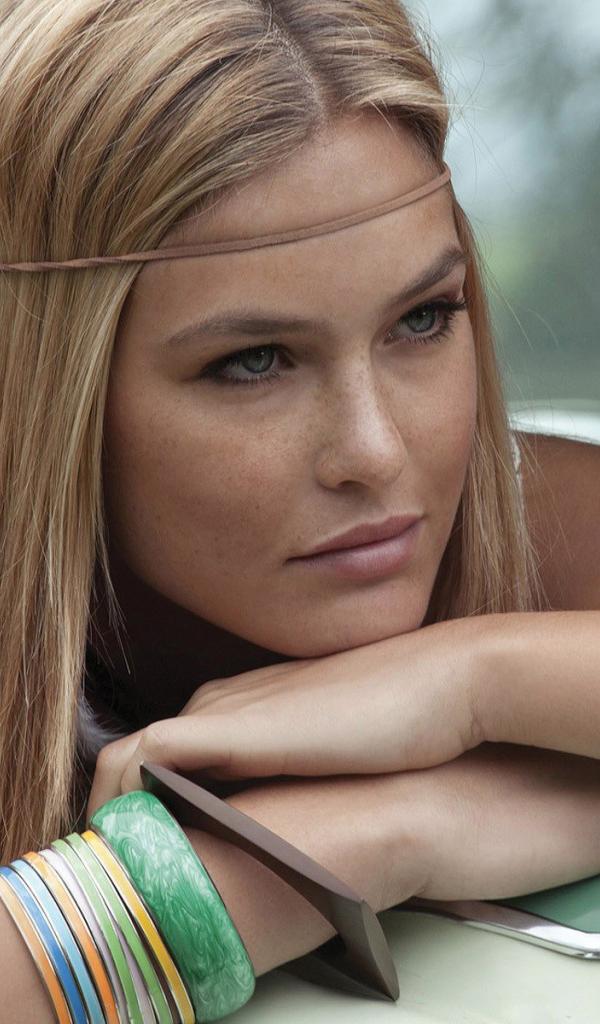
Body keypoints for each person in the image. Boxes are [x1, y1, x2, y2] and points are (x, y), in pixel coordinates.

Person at [1, 0, 599, 1020]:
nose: (376, 452)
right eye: (254, 362)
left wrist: (474, 682)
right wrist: (285, 867)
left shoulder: (554, 530)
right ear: (45, 393)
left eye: (423, 318)